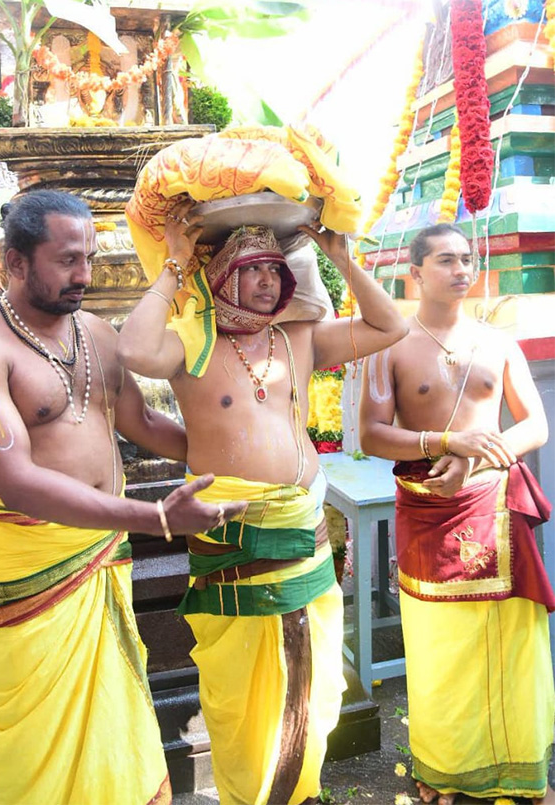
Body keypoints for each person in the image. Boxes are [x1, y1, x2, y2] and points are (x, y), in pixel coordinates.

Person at [0, 190, 246, 805]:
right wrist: (154, 516)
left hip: (101, 553)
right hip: (35, 561)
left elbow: (145, 426)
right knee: (41, 735)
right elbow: (17, 477)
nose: (85, 275)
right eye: (67, 260)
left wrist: (251, 456)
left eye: (91, 259)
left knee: (111, 709)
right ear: (15, 263)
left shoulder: (99, 334)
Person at [117, 198, 408, 805]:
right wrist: (173, 267)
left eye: (275, 269)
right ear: (223, 274)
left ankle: (298, 794)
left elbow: (390, 327)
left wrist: (341, 261)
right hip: (234, 536)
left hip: (303, 529)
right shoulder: (191, 344)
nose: (268, 279)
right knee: (240, 695)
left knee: (313, 686)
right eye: (252, 268)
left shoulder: (297, 337)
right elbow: (135, 354)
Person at [358, 222, 555, 805]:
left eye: (467, 259)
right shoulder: (387, 343)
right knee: (438, 646)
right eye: (446, 260)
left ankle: (522, 770)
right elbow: (372, 435)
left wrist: (475, 459)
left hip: (494, 504)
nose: (462, 270)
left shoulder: (498, 343)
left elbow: (535, 426)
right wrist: (446, 445)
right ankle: (444, 771)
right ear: (414, 273)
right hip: (429, 510)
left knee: (513, 644)